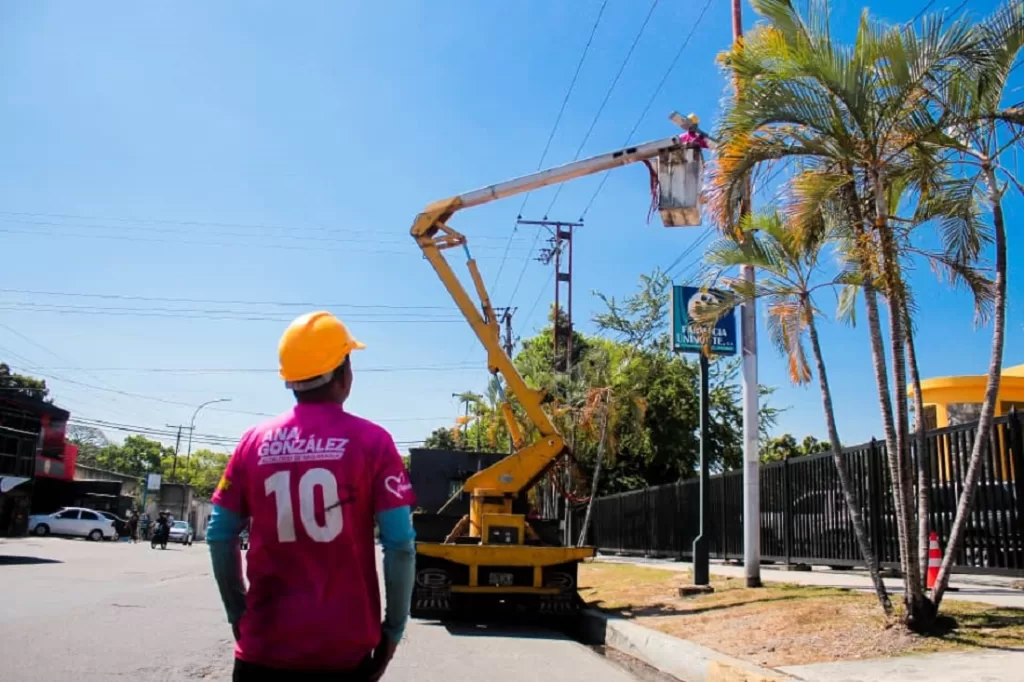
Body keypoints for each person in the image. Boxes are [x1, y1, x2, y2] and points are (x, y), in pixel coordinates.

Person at [207, 311, 417, 681]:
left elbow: (219, 533)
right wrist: (392, 632)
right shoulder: (374, 442)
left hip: (261, 651)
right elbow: (399, 544)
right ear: (344, 374)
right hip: (344, 654)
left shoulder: (252, 442)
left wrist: (238, 614)